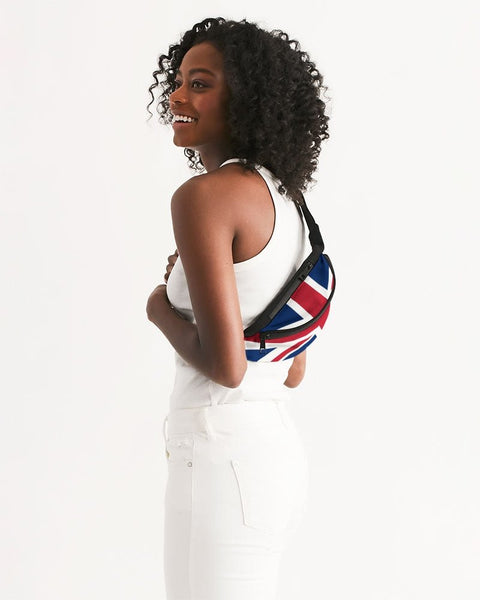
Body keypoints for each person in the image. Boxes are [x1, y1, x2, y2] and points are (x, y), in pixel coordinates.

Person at [145, 17, 330, 600]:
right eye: (178, 82)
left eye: (200, 84)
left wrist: (159, 307)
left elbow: (228, 367)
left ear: (245, 97)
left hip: (219, 455)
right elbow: (291, 368)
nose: (177, 96)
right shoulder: (288, 204)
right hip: (270, 455)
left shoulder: (204, 197)